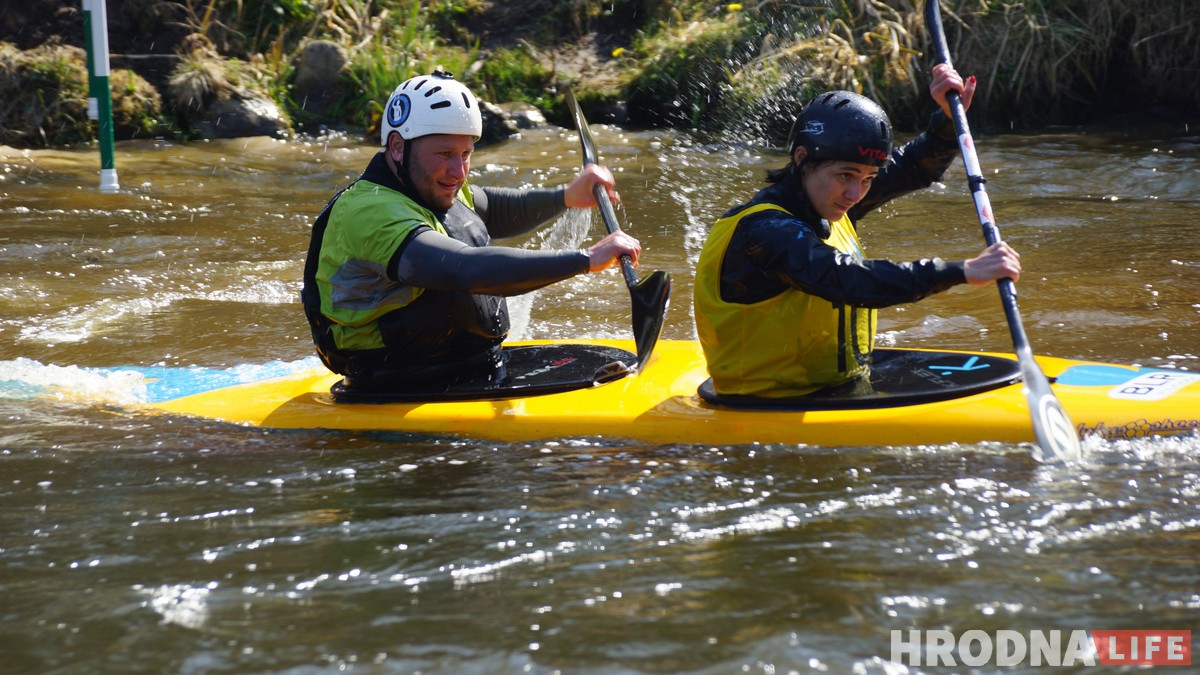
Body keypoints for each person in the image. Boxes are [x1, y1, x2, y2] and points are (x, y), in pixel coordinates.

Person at [694, 64, 1022, 398]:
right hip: (763, 404)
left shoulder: (827, 200)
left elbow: (912, 167)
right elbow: (851, 280)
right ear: (803, 158)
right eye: (846, 175)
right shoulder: (765, 232)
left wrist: (948, 118)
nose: (856, 194)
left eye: (868, 179)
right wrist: (963, 270)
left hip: (830, 387)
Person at [302, 71, 641, 391]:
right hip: (391, 377)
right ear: (396, 147)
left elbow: (491, 208)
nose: (458, 171)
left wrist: (567, 197)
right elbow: (467, 269)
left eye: (466, 154)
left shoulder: (426, 185)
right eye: (445, 154)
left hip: (457, 366)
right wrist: (587, 259)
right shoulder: (369, 211)